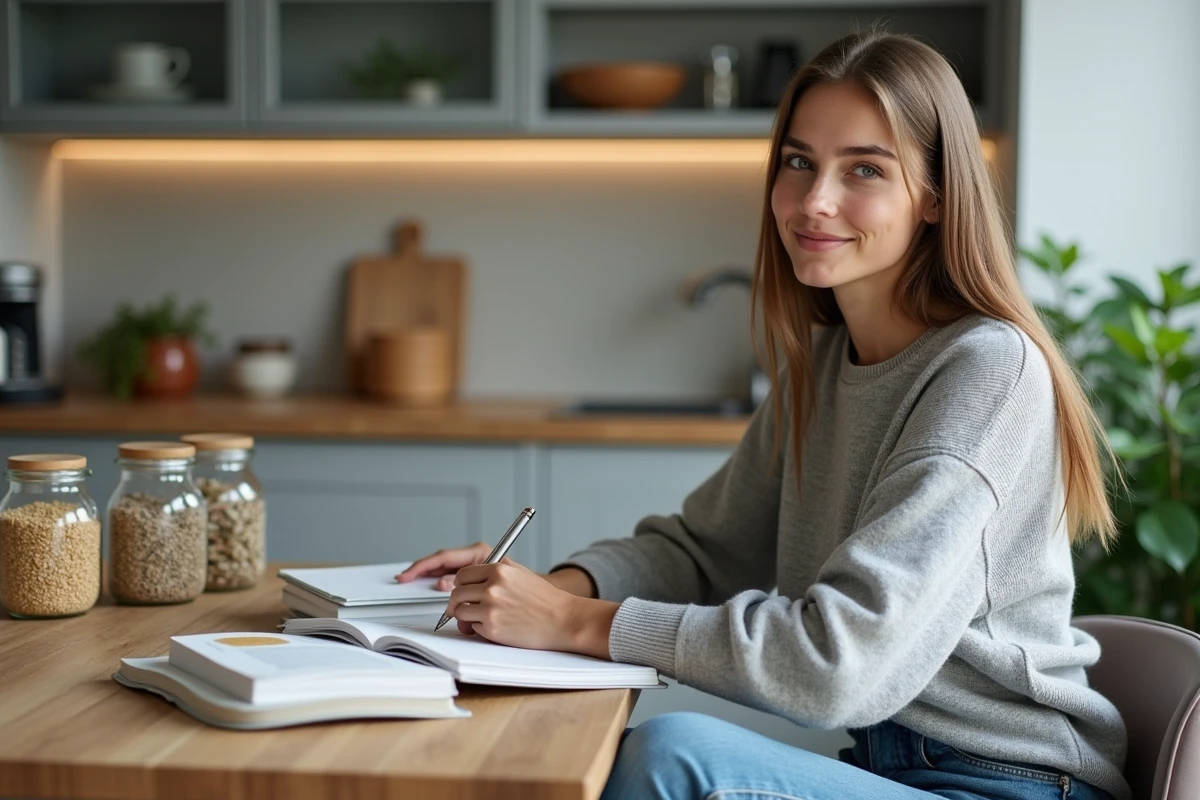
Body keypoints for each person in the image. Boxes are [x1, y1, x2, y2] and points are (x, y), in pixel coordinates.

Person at [396, 29, 1131, 800]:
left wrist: (574, 624)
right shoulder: (822, 363)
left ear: (936, 197)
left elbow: (841, 664)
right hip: (894, 769)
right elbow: (706, 551)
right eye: (799, 162)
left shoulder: (988, 368)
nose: (815, 201)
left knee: (671, 755)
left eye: (865, 170)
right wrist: (542, 590)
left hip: (1013, 784)